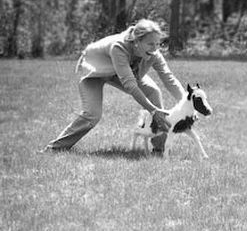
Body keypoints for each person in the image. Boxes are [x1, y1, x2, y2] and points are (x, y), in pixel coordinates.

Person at [43, 19, 185, 152]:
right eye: (150, 44)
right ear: (137, 41)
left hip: (121, 72)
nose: (155, 49)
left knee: (153, 92)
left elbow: (168, 78)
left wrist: (186, 101)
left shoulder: (153, 53)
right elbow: (130, 85)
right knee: (92, 115)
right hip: (96, 71)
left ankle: (160, 148)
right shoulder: (118, 47)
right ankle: (55, 148)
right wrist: (154, 111)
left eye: (157, 44)